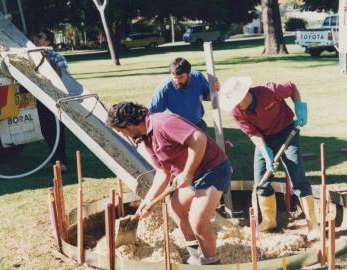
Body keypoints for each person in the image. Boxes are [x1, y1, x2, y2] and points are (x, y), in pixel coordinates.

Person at [107, 102, 232, 265]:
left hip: (214, 169)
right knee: (175, 207)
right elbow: (163, 172)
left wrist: (186, 173)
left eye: (121, 131)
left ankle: (211, 263)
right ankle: (195, 253)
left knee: (198, 221)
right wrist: (147, 201)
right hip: (195, 175)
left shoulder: (163, 123)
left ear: (129, 125)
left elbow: (198, 139)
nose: (123, 135)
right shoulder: (147, 138)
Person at [219, 77, 319, 241]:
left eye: (237, 101)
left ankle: (313, 225)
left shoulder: (269, 91)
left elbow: (292, 87)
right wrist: (266, 154)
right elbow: (253, 133)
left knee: (298, 177)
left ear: (245, 94)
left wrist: (300, 107)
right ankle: (269, 221)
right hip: (264, 139)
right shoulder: (237, 111)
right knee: (261, 181)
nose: (235, 106)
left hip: (287, 132)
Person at [33, 29, 83, 171]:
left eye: (39, 36)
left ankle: (62, 162)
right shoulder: (33, 57)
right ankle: (55, 159)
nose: (36, 39)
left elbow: (63, 77)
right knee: (46, 130)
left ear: (47, 42)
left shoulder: (55, 57)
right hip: (41, 97)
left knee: (56, 129)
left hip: (55, 97)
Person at [148, 57, 219, 132]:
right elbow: (151, 113)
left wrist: (214, 90)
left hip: (197, 125)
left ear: (189, 74)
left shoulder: (198, 77)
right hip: (175, 129)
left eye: (181, 77)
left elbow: (208, 97)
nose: (177, 81)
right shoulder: (164, 88)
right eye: (175, 77)